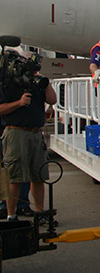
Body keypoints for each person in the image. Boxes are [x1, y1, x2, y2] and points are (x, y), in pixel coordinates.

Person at [0, 67, 57, 223]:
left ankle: (40, 213)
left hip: (35, 133)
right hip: (16, 133)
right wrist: (19, 103)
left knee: (38, 176)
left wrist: (46, 85)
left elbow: (52, 100)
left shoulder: (37, 84)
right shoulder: (7, 85)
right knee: (15, 177)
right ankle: (11, 216)